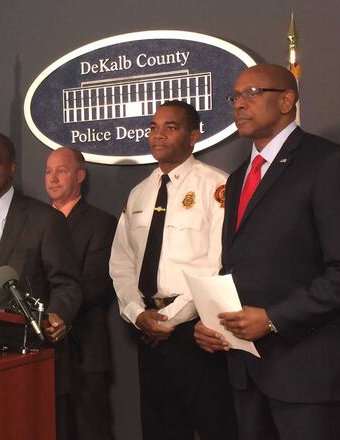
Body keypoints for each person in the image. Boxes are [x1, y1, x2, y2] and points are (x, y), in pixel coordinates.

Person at [194, 64, 340, 440]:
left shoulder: (327, 163)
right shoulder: (238, 178)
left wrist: (274, 319)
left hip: (313, 373)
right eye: (235, 96)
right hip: (249, 371)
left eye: (252, 93)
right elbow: (240, 263)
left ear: (286, 100)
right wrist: (214, 321)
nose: (239, 104)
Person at [109, 100, 236, 440]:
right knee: (160, 430)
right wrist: (137, 313)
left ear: (193, 136)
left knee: (216, 427)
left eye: (171, 127)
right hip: (148, 332)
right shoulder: (139, 193)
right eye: (153, 127)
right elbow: (122, 263)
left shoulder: (216, 186)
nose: (158, 135)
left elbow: (217, 263)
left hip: (197, 332)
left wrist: (170, 319)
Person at [0, 130, 82, 440]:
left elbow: (67, 284)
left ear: (12, 167)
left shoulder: (44, 220)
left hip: (31, 360)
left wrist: (57, 315)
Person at [44, 147, 116, 440]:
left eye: (61, 171)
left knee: (91, 430)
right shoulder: (35, 221)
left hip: (84, 348)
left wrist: (58, 313)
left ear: (80, 175)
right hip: (41, 348)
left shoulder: (101, 222)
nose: (53, 178)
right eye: (48, 171)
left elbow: (96, 283)